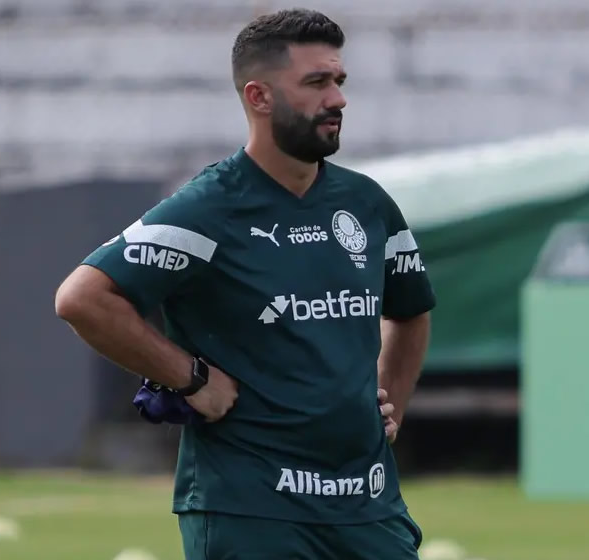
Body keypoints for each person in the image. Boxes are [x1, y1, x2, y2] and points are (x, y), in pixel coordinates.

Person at [53, 8, 435, 559]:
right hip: (252, 509)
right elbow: (83, 298)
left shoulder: (367, 205)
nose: (338, 99)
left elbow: (411, 308)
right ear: (259, 97)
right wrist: (189, 378)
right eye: (316, 83)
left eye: (339, 81)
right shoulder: (212, 208)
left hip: (366, 505)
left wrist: (387, 408)